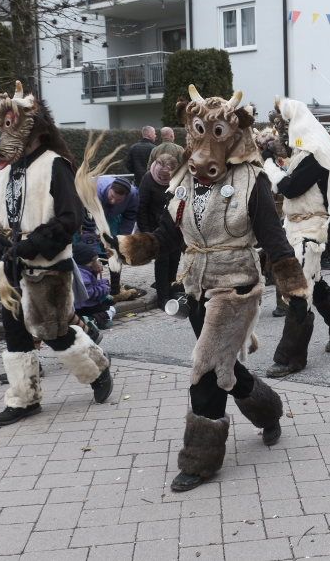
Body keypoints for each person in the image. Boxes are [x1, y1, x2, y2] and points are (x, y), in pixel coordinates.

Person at [113, 85, 309, 492]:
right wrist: (132, 248)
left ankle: (200, 460)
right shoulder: (185, 181)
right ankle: (269, 410)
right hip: (197, 286)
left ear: (233, 134)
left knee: (204, 369)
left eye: (216, 133)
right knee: (225, 368)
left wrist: (292, 285)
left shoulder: (251, 180)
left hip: (236, 288)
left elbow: (273, 237)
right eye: (199, 132)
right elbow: (169, 233)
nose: (205, 145)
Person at [0, 81, 113, 427]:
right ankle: (24, 399)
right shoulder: (1, 169)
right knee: (15, 334)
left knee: (53, 332)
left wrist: (33, 243)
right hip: (11, 267)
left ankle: (97, 369)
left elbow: (70, 218)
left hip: (48, 266)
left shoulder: (55, 164)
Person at [262, 98, 330, 377]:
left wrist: (268, 163)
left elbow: (290, 188)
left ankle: (290, 357)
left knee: (299, 289)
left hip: (311, 229)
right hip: (294, 227)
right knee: (313, 284)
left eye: (286, 127)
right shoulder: (302, 156)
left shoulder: (316, 155)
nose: (283, 134)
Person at [138, 153, 182, 307]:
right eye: (162, 176)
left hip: (174, 226)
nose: (164, 179)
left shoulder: (178, 179)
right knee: (162, 261)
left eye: (167, 176)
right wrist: (146, 233)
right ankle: (162, 297)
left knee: (175, 258)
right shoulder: (148, 179)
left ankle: (171, 288)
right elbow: (141, 207)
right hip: (155, 228)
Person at [98, 176, 138, 295]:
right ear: (110, 189)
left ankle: (115, 289)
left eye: (119, 200)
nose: (113, 201)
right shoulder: (97, 190)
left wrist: (121, 238)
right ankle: (91, 286)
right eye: (111, 197)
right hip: (95, 216)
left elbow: (130, 216)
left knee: (116, 250)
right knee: (93, 251)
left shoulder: (133, 195)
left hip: (114, 218)